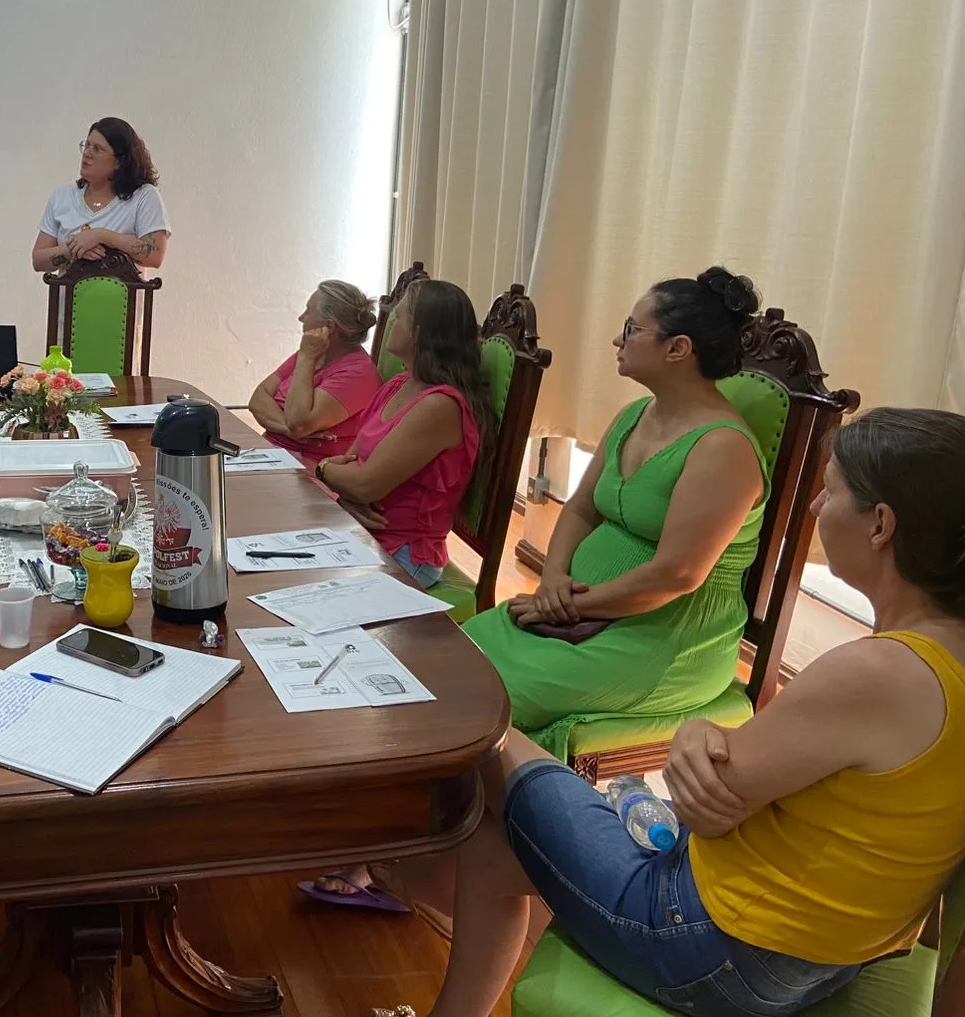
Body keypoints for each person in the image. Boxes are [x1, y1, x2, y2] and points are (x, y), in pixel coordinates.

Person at [375, 406, 965, 1017]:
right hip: (816, 959)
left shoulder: (880, 673)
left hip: (710, 944)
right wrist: (703, 746)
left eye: (832, 492)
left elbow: (706, 804)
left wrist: (695, 735)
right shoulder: (944, 662)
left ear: (881, 525)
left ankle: (386, 863)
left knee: (486, 725)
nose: (814, 511)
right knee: (494, 849)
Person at [462, 266, 767, 758]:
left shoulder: (722, 448)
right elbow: (581, 508)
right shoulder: (632, 416)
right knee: (451, 656)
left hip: (662, 640)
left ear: (678, 349)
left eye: (631, 329)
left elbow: (677, 575)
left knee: (480, 697)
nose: (615, 339)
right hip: (573, 615)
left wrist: (563, 605)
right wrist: (553, 577)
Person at [313, 278, 494, 590]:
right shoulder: (398, 385)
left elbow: (364, 482)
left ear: (419, 333)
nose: (391, 322)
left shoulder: (440, 406)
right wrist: (347, 490)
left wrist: (324, 469)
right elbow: (354, 467)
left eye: (399, 317)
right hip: (363, 531)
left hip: (405, 553)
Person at [247, 280, 384, 467]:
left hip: (311, 469)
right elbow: (257, 398)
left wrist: (306, 358)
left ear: (329, 327)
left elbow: (300, 423)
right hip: (273, 454)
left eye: (308, 311)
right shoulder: (314, 353)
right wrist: (287, 429)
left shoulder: (357, 373)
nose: (301, 318)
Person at [31, 117, 170, 273]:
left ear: (119, 162)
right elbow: (38, 261)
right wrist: (74, 249)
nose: (87, 154)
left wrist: (101, 236)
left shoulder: (144, 196)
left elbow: (155, 255)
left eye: (98, 149)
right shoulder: (62, 197)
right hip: (69, 297)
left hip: (122, 296)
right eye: (87, 145)